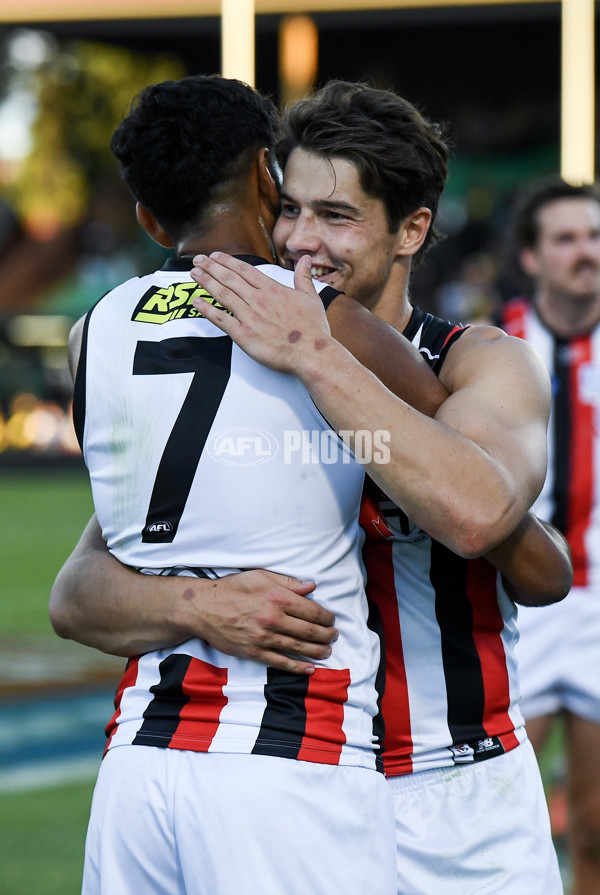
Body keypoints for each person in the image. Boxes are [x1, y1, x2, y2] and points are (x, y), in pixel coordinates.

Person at [50, 81, 571, 895]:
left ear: (412, 230)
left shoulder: (477, 362)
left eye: (335, 216)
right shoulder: (229, 362)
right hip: (299, 765)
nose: (298, 239)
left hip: (452, 783)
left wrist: (320, 357)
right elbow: (81, 589)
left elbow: (526, 556)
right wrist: (198, 604)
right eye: (288, 208)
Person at [500, 175, 600, 895]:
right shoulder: (493, 345)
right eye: (566, 238)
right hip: (520, 605)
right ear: (533, 257)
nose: (586, 252)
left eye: (595, 236)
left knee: (595, 824)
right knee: (508, 815)